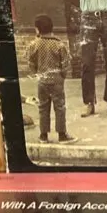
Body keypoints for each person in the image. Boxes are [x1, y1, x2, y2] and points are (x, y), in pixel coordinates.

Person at [27, 14, 75, 143]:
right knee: (59, 107)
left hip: (42, 81)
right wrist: (62, 76)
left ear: (37, 29)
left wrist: (37, 74)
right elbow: (65, 64)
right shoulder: (59, 45)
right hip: (56, 81)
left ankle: (43, 135)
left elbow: (31, 63)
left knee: (43, 107)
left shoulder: (33, 44)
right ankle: (62, 134)